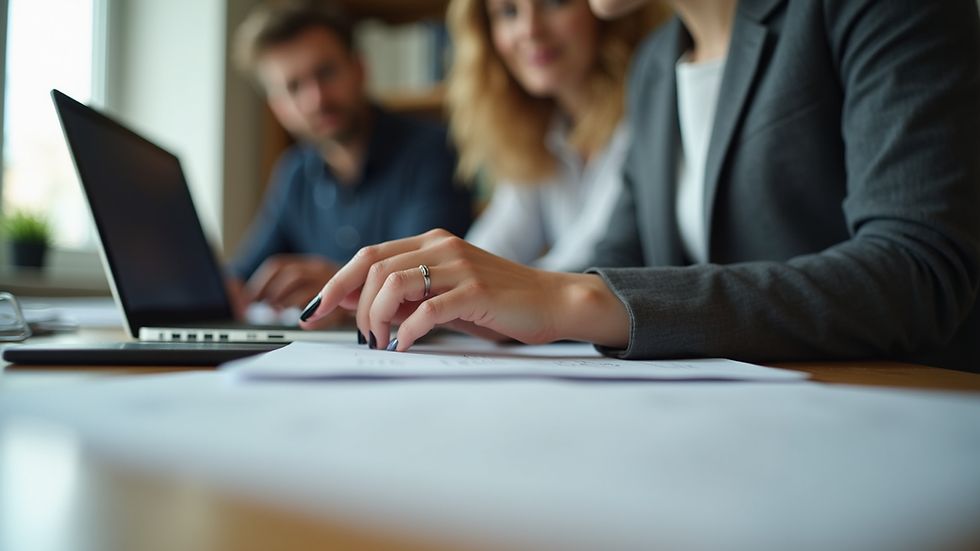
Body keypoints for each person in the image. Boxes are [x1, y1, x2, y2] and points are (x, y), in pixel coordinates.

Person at [299, 0, 980, 374]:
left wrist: (565, 294)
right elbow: (619, 254)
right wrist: (474, 300)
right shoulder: (657, 66)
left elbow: (921, 271)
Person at [226, 0, 473, 321]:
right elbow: (245, 272)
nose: (316, 98)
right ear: (278, 107)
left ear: (359, 68)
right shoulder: (294, 172)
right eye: (294, 87)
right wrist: (225, 287)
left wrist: (340, 292)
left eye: (326, 72)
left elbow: (428, 276)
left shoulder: (434, 151)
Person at [447, 0, 666, 271]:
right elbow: (497, 241)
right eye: (508, 12)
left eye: (554, 2)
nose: (530, 30)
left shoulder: (648, 109)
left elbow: (586, 261)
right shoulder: (542, 127)